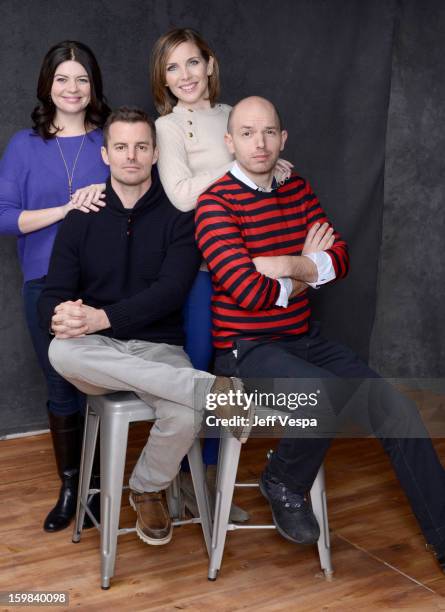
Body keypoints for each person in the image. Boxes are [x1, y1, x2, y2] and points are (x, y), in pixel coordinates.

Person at [195, 96, 445, 571]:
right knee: (323, 397)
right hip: (245, 349)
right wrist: (309, 270)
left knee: (400, 410)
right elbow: (246, 291)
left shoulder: (299, 189)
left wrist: (288, 266)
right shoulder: (214, 205)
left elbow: (342, 258)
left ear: (283, 139)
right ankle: (283, 480)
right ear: (230, 142)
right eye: (247, 133)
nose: (260, 142)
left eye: (269, 132)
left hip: (304, 339)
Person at [38, 106, 247, 546]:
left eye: (140, 146)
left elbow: (170, 292)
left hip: (158, 348)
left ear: (154, 153)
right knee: (60, 349)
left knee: (185, 409)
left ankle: (148, 486)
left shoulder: (179, 218)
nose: (131, 156)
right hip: (95, 351)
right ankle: (209, 389)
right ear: (106, 155)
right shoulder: (83, 216)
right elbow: (53, 292)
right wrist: (59, 315)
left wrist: (104, 316)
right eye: (121, 147)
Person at [150, 28, 292, 521]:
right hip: (200, 270)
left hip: (247, 265)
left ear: (209, 64)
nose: (184, 76)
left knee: (224, 378)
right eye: (172, 68)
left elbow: (265, 172)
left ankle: (212, 480)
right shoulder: (166, 127)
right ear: (163, 79)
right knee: (198, 375)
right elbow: (184, 195)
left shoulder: (236, 116)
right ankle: (181, 482)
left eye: (191, 63)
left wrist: (269, 162)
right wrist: (239, 161)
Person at [0, 40, 110, 532]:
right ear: (48, 84)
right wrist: (66, 210)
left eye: (82, 78)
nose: (72, 88)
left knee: (107, 381)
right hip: (45, 283)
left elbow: (152, 194)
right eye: (63, 78)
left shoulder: (112, 140)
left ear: (94, 86)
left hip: (106, 281)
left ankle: (103, 487)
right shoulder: (25, 145)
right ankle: (72, 486)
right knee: (60, 381)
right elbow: (4, 218)